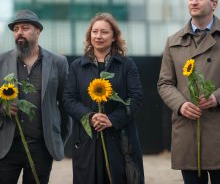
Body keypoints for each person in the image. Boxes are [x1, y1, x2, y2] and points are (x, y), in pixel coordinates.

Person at [64, 12, 144, 184]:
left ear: (114, 37)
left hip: (119, 139)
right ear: (89, 35)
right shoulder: (77, 67)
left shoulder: (126, 65)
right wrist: (91, 116)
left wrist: (112, 119)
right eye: (95, 32)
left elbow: (136, 98)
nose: (98, 36)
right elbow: (69, 100)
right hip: (86, 140)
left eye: (104, 32)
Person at [157, 0, 220, 184]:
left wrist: (216, 97)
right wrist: (181, 105)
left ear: (214, 4)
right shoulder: (173, 41)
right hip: (188, 129)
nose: (193, 2)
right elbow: (164, 83)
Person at [0, 10, 72, 184]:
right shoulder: (1, 61)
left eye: (25, 28)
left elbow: (66, 104)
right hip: (6, 146)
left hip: (42, 147)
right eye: (16, 29)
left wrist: (56, 142)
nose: (19, 32)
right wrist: (3, 108)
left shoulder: (58, 62)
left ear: (38, 31)